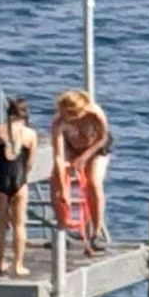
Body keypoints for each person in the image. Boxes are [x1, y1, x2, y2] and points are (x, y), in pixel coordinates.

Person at [50, 90, 113, 253]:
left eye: (73, 115)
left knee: (94, 182)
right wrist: (63, 188)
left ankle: (97, 231)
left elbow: (103, 138)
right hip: (72, 147)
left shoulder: (94, 114)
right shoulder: (58, 122)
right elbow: (58, 155)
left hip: (96, 147)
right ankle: (62, 228)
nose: (70, 119)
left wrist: (84, 157)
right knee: (56, 181)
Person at [0, 96, 38, 274]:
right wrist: (22, 176)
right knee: (19, 224)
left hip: (1, 178)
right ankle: (18, 265)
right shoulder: (30, 134)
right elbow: (30, 163)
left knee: (0, 224)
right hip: (19, 180)